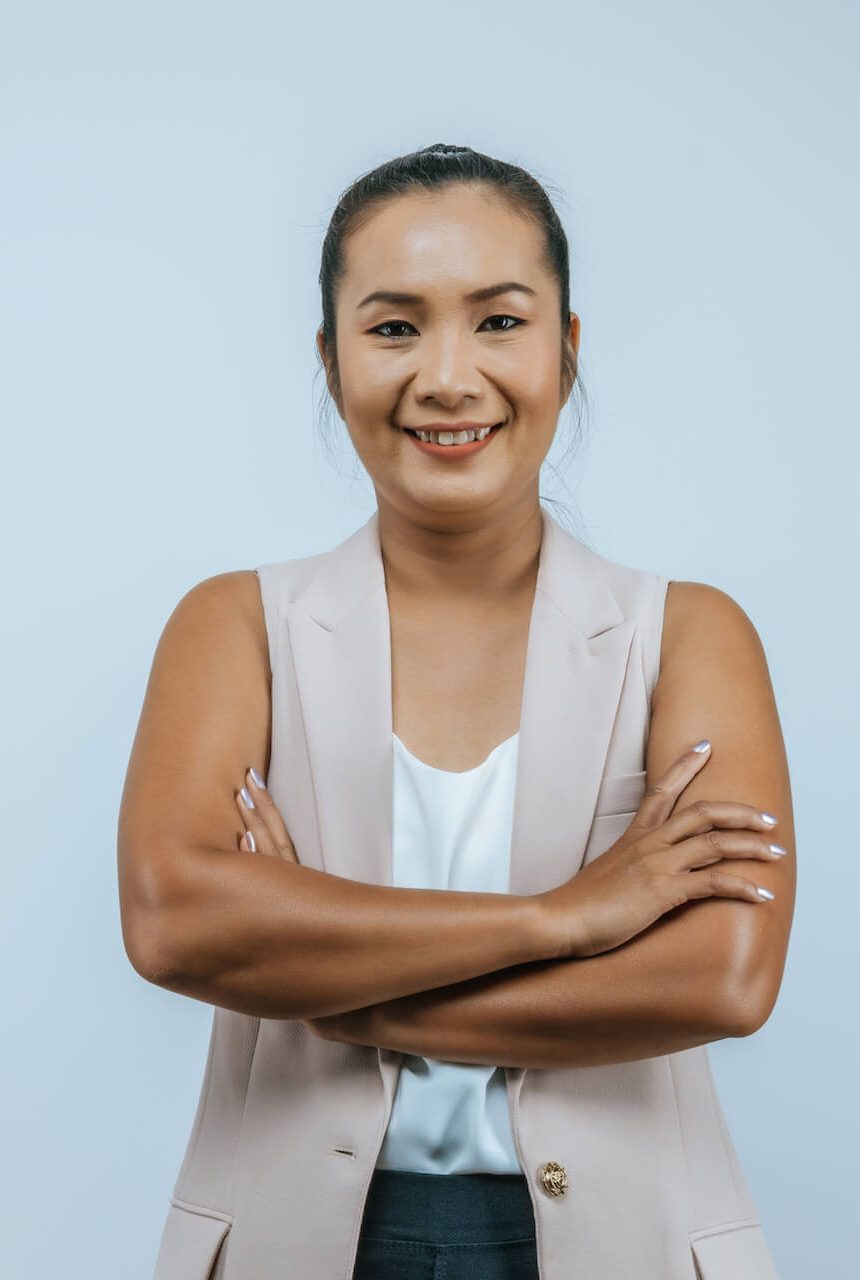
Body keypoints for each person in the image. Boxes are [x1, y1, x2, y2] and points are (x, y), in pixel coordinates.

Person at [118, 143, 793, 1280]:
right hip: (300, 1239)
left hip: (617, 1239)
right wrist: (570, 917)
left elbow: (719, 973)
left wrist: (335, 991)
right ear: (329, 362)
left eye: (497, 321)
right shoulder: (236, 624)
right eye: (391, 328)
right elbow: (175, 921)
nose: (445, 377)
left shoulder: (685, 632)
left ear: (564, 350)